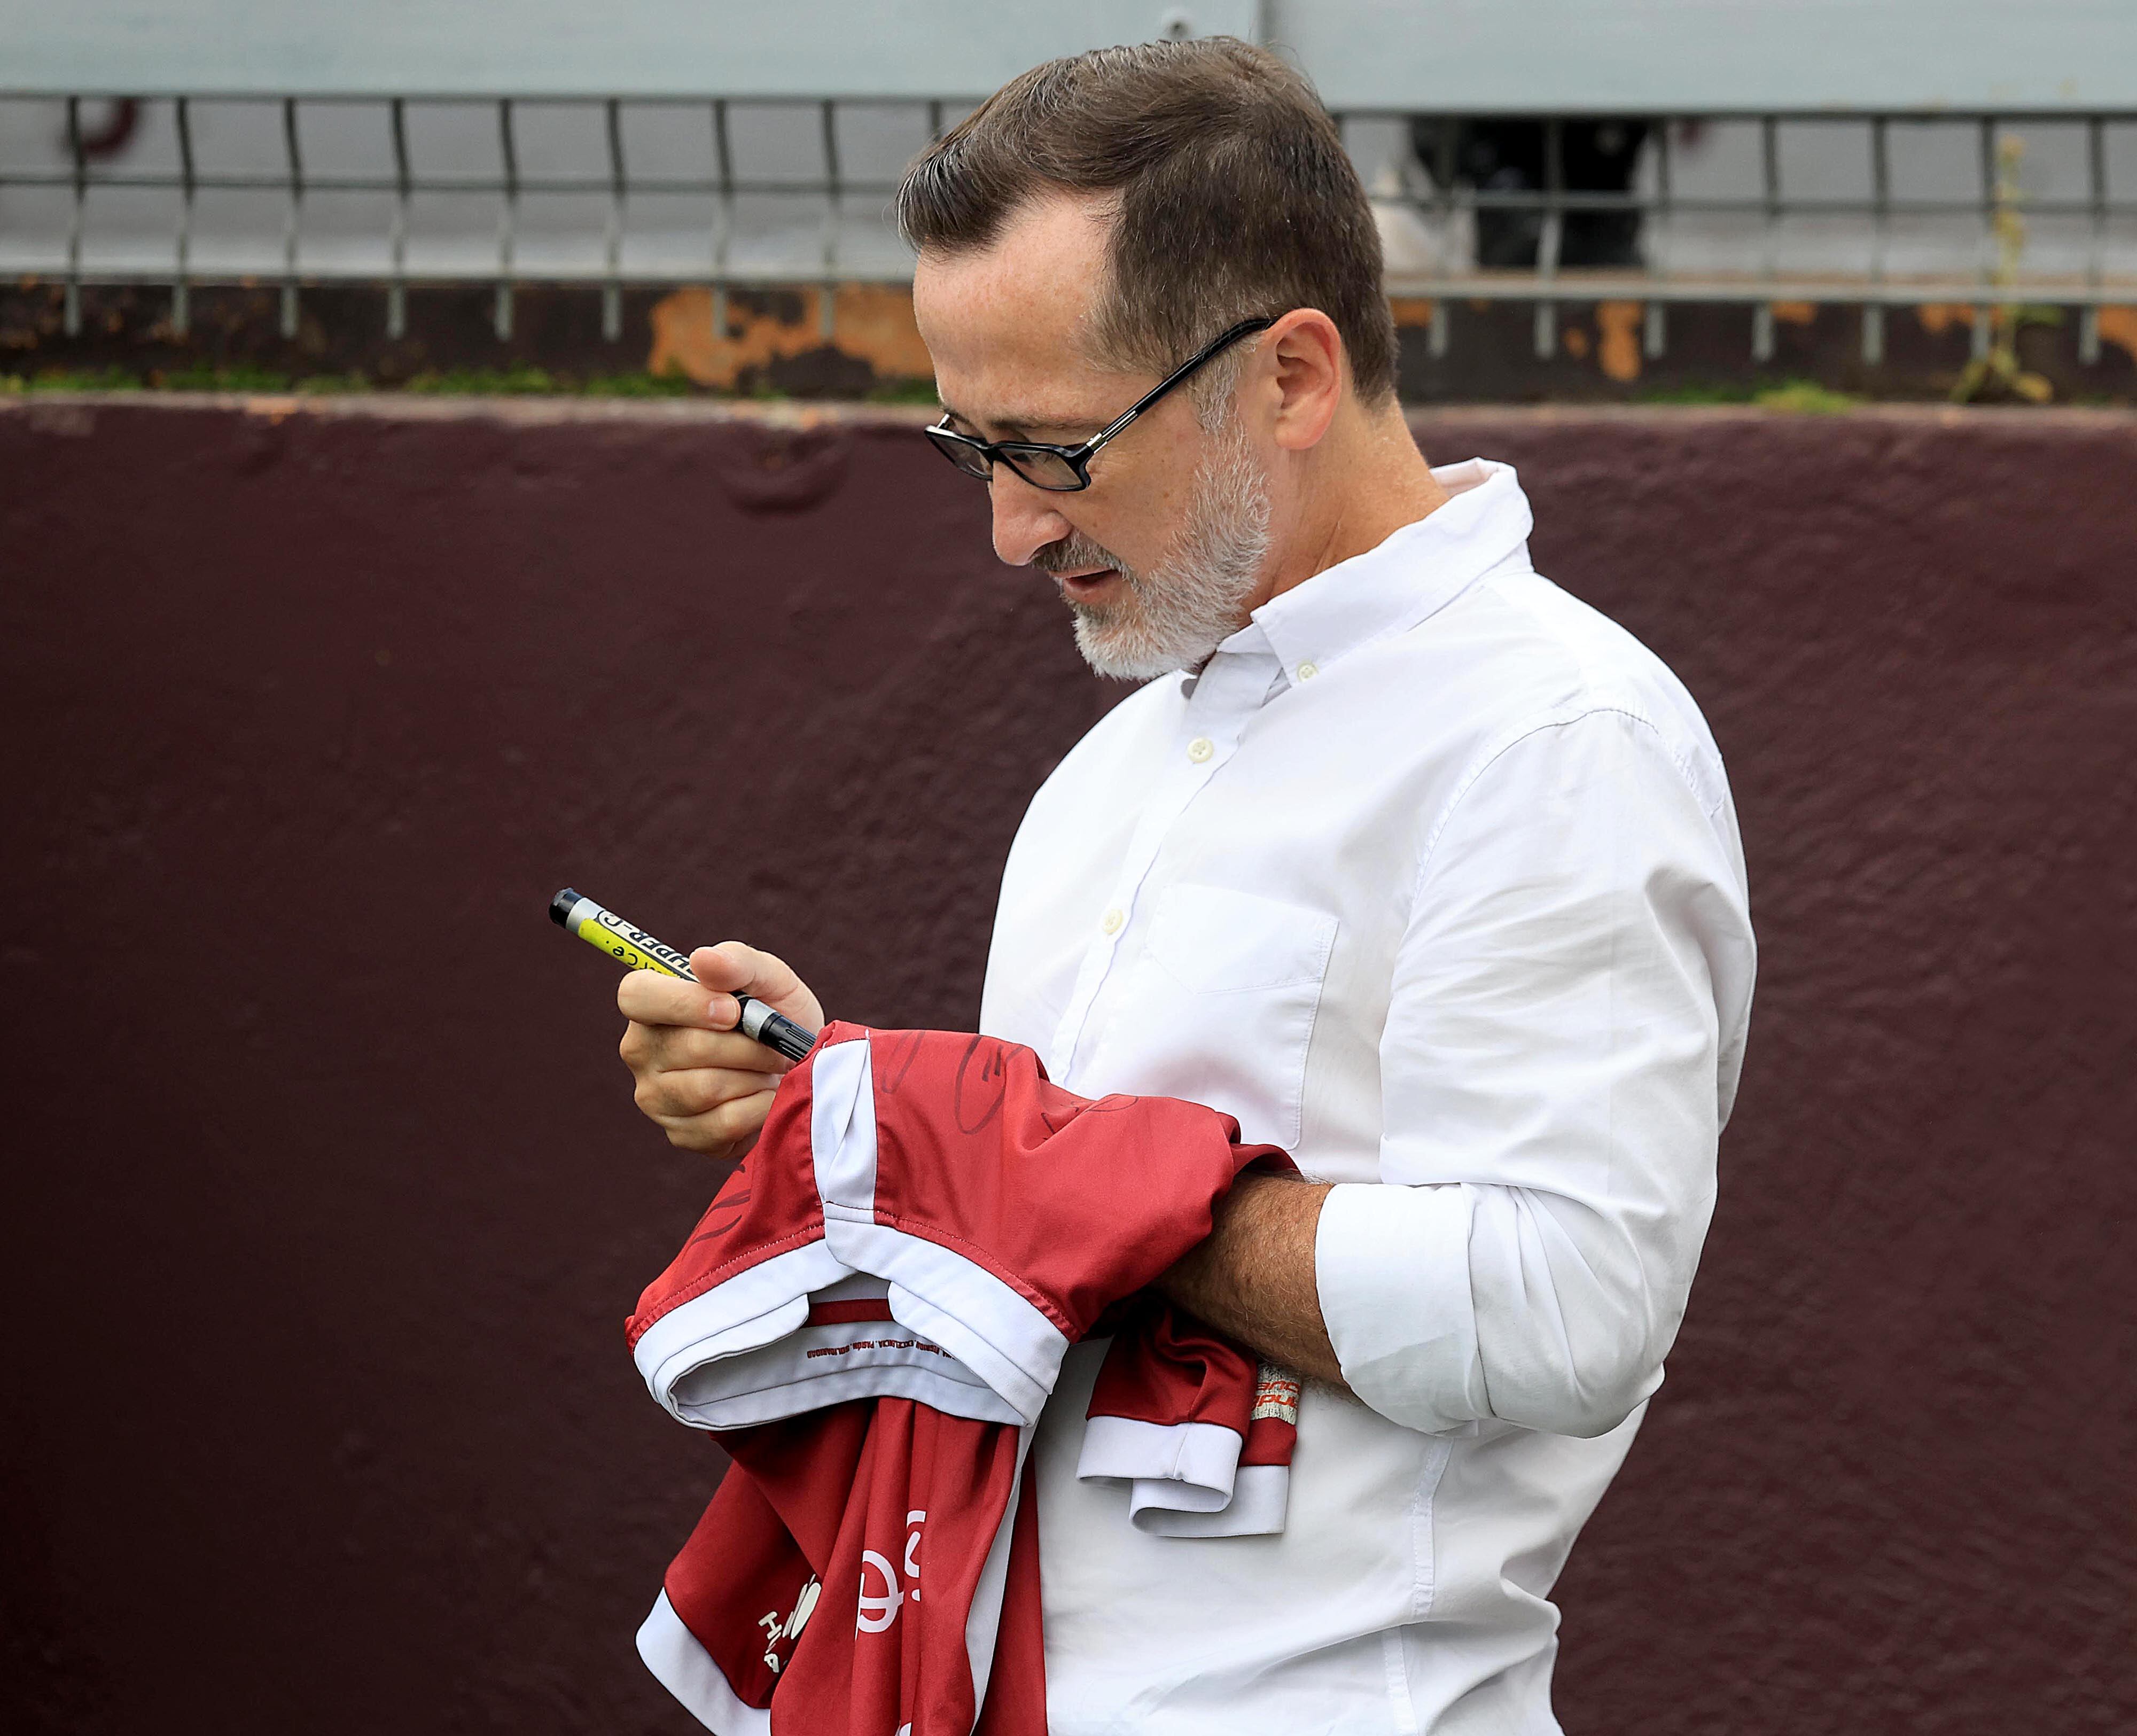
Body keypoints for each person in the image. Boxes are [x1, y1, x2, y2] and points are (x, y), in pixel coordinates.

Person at [615, 37, 1754, 1735]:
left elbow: (1562, 1307)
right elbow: (1041, 1241)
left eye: (1056, 448)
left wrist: (1043, 1169)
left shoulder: (1558, 736)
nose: (1010, 529)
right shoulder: (1114, 770)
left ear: (1291, 375)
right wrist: (843, 1105)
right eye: (970, 446)